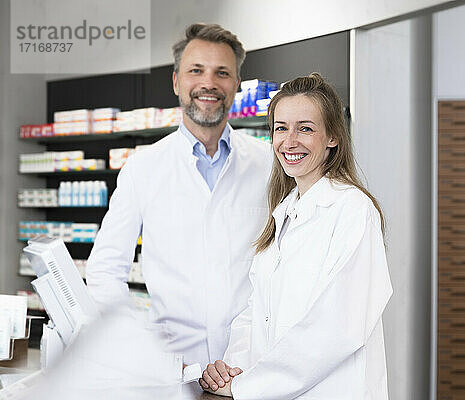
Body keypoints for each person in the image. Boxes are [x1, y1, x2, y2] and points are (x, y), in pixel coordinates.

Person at [85, 23, 272, 372]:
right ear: (176, 81)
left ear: (235, 83)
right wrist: (134, 345)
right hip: (172, 368)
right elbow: (104, 270)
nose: (209, 83)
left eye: (222, 73)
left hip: (251, 366)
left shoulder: (268, 164)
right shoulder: (143, 167)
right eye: (196, 70)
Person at [200, 73, 393, 399]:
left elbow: (337, 327)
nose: (290, 141)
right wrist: (231, 371)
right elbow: (256, 310)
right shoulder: (284, 213)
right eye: (281, 128)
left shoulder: (353, 210)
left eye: (305, 128)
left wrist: (249, 386)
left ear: (333, 137)